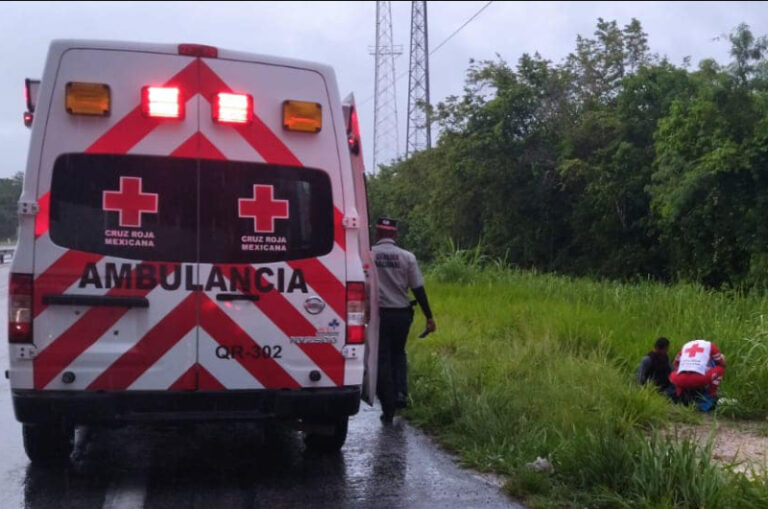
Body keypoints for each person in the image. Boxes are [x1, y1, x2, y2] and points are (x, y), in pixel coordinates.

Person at [372, 217, 436, 424]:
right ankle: (400, 393)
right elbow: (418, 288)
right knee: (398, 353)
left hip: (378, 315)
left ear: (377, 234)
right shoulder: (407, 257)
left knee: (382, 356)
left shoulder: (368, 255)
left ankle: (387, 406)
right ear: (395, 235)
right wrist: (429, 316)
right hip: (401, 314)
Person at [669, 339, 727, 407]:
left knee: (676, 373)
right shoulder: (711, 346)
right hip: (698, 380)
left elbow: (675, 363)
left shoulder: (686, 346)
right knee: (720, 369)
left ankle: (679, 394)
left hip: (677, 380)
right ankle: (712, 393)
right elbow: (722, 363)